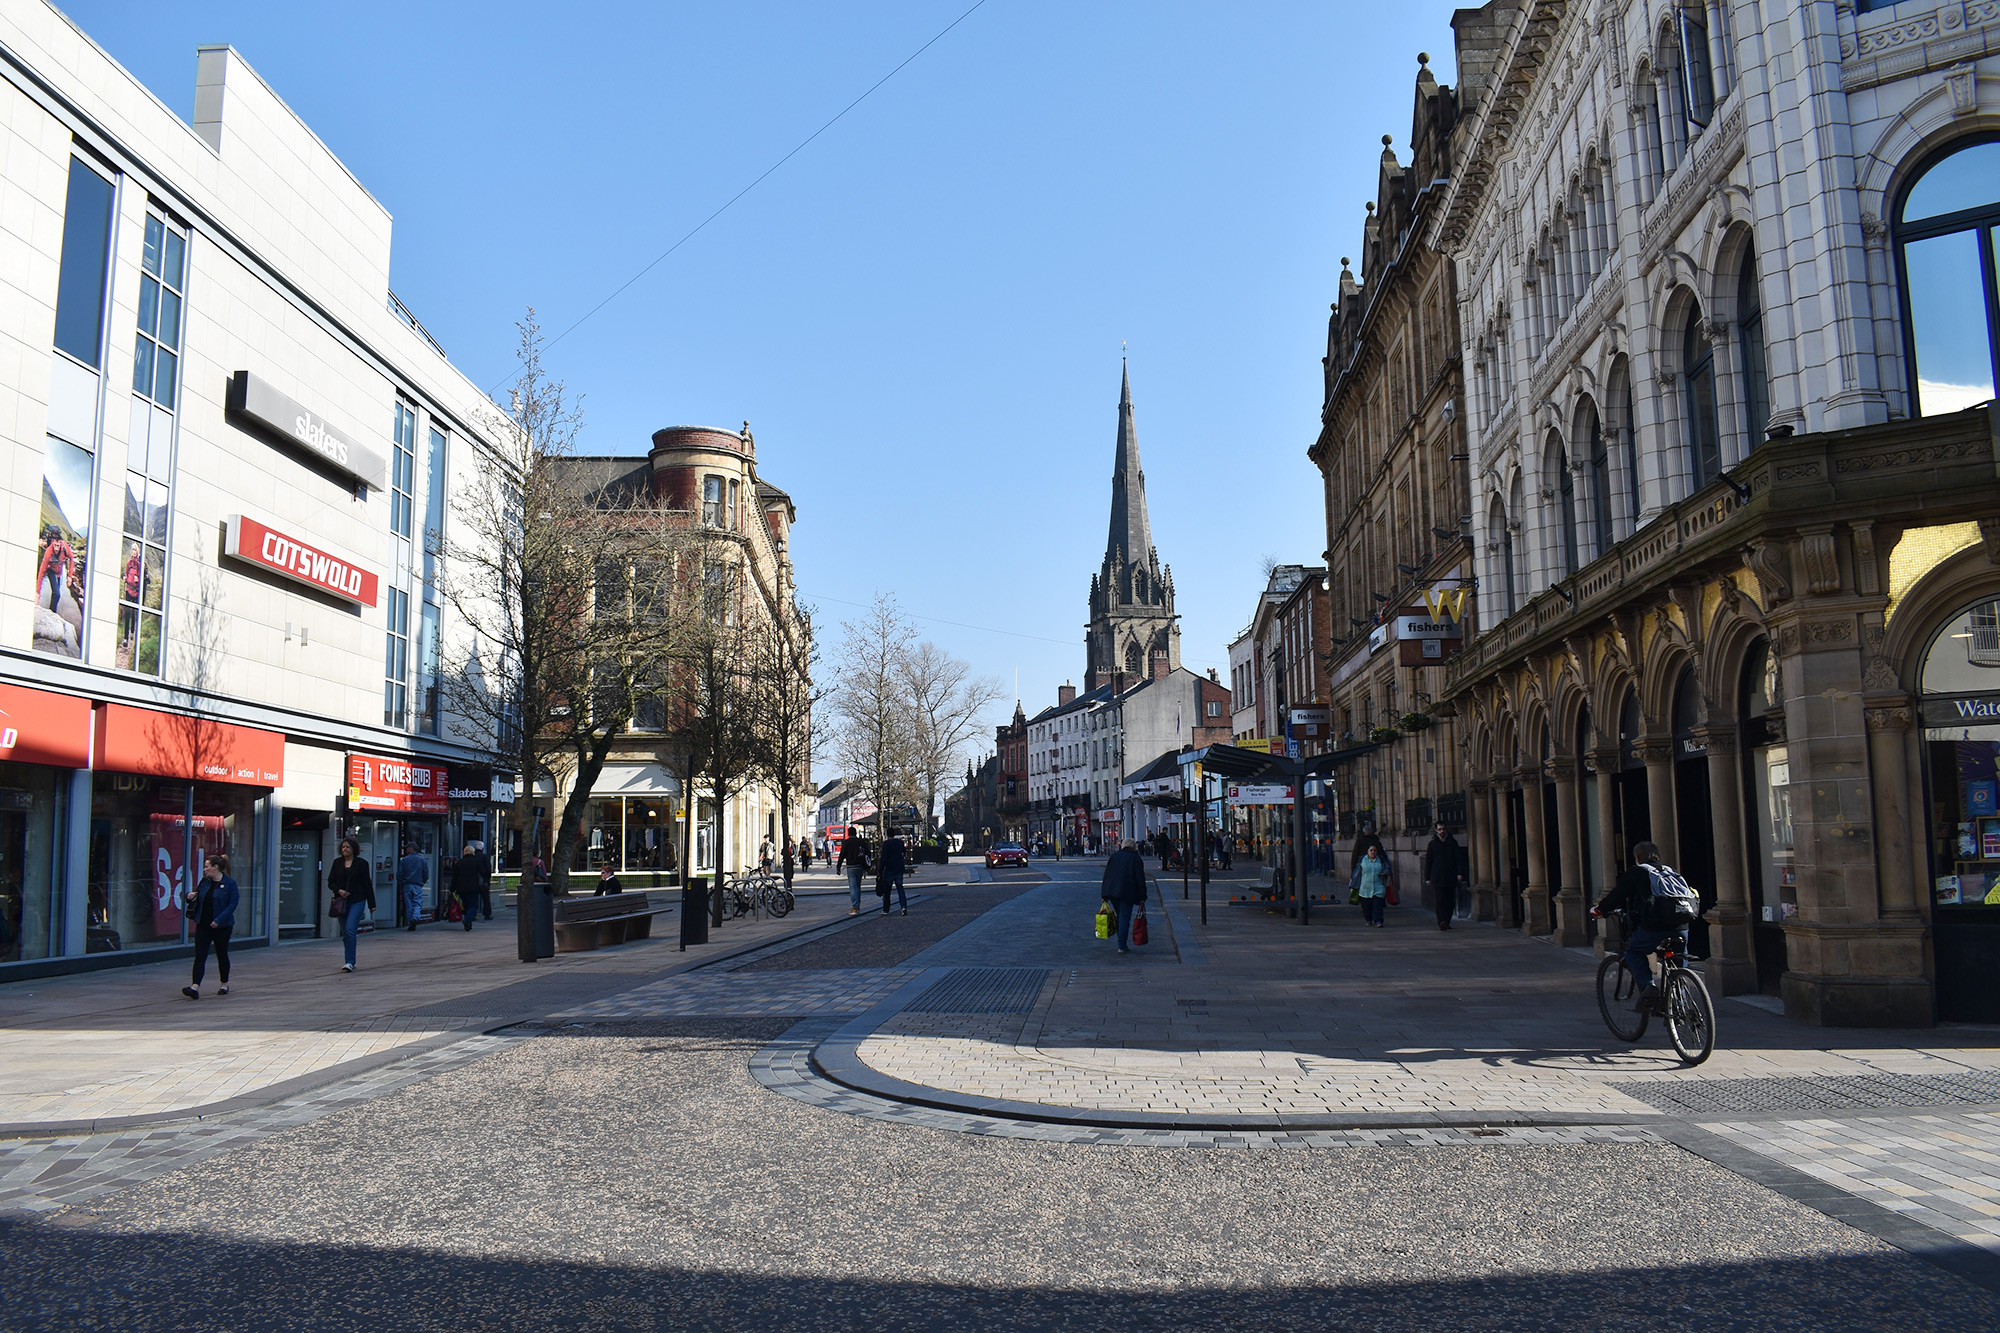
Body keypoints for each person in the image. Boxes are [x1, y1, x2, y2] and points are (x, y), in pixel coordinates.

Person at [1592, 841, 1699, 1012]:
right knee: (1679, 963)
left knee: (1634, 952)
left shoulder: (1638, 872)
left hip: (1655, 927)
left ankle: (1649, 987)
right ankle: (1681, 1005)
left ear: (1637, 858)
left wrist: (1599, 910)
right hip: (1682, 925)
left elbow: (1618, 895)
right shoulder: (1670, 871)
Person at [181, 853, 239, 999]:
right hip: (204, 924)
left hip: (222, 926)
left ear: (216, 867)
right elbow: (198, 898)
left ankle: (224, 984)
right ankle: (195, 987)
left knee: (221, 954)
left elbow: (232, 904)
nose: (204, 869)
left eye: (207, 867)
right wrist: (190, 896)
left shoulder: (230, 884)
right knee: (200, 955)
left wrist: (219, 920)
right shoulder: (204, 882)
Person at [328, 836, 374, 972]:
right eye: (343, 847)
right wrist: (339, 891)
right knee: (346, 933)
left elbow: (367, 884)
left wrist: (372, 904)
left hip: (357, 901)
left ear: (354, 849)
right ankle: (349, 959)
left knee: (349, 929)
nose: (345, 849)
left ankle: (350, 961)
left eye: (347, 847)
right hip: (341, 902)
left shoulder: (362, 864)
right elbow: (330, 882)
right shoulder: (337, 863)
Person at [1100, 841, 1148, 954]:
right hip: (1128, 891)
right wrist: (1142, 896)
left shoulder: (1114, 856)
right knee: (1124, 917)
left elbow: (1107, 875)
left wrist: (1104, 894)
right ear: (1133, 847)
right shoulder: (1135, 858)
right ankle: (1121, 945)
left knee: (1120, 916)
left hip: (1112, 892)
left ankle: (1121, 942)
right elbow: (1140, 879)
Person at [1423, 822, 1469, 931]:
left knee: (1450, 900)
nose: (1442, 831)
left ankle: (1447, 920)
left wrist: (1459, 873)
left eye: (1443, 829)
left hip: (1450, 875)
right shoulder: (1433, 844)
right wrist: (1427, 877)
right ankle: (1441, 921)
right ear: (1436, 831)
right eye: (1439, 829)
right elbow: (1429, 861)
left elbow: (1458, 858)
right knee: (1439, 900)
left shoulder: (1452, 843)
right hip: (1437, 877)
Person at [1351, 843, 1393, 927]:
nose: (1373, 852)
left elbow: (1387, 869)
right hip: (1365, 888)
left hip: (1378, 886)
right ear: (1367, 852)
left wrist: (1384, 873)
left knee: (1378, 906)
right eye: (1371, 850)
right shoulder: (1362, 860)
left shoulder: (1381, 860)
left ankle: (1378, 921)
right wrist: (1353, 883)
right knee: (1366, 907)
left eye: (1374, 850)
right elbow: (1356, 873)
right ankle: (1368, 919)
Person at [837, 826, 871, 916]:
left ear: (848, 833)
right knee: (858, 886)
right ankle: (858, 904)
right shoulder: (861, 842)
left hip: (851, 866)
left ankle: (855, 906)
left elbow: (842, 855)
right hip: (860, 866)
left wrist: (838, 867)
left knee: (853, 887)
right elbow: (867, 853)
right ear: (855, 833)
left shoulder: (846, 842)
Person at [450, 843, 484, 931]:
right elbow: (483, 872)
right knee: (473, 905)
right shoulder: (476, 861)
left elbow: (455, 877)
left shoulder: (459, 862)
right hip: (473, 887)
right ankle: (467, 920)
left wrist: (452, 888)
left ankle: (468, 922)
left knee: (466, 905)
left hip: (461, 888)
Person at [396, 843, 429, 930]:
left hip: (407, 884)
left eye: (407, 848)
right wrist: (422, 881)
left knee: (409, 904)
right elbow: (426, 873)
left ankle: (411, 921)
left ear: (411, 848)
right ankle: (415, 917)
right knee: (417, 903)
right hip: (417, 884)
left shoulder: (404, 860)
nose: (406, 850)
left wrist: (401, 882)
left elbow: (399, 874)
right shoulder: (421, 860)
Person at [876, 833, 909, 915]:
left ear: (887, 835)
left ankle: (886, 909)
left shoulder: (886, 844)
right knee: (900, 888)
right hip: (899, 868)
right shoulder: (900, 842)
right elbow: (904, 852)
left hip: (889, 868)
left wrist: (880, 870)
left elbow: (883, 857)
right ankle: (903, 906)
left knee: (887, 890)